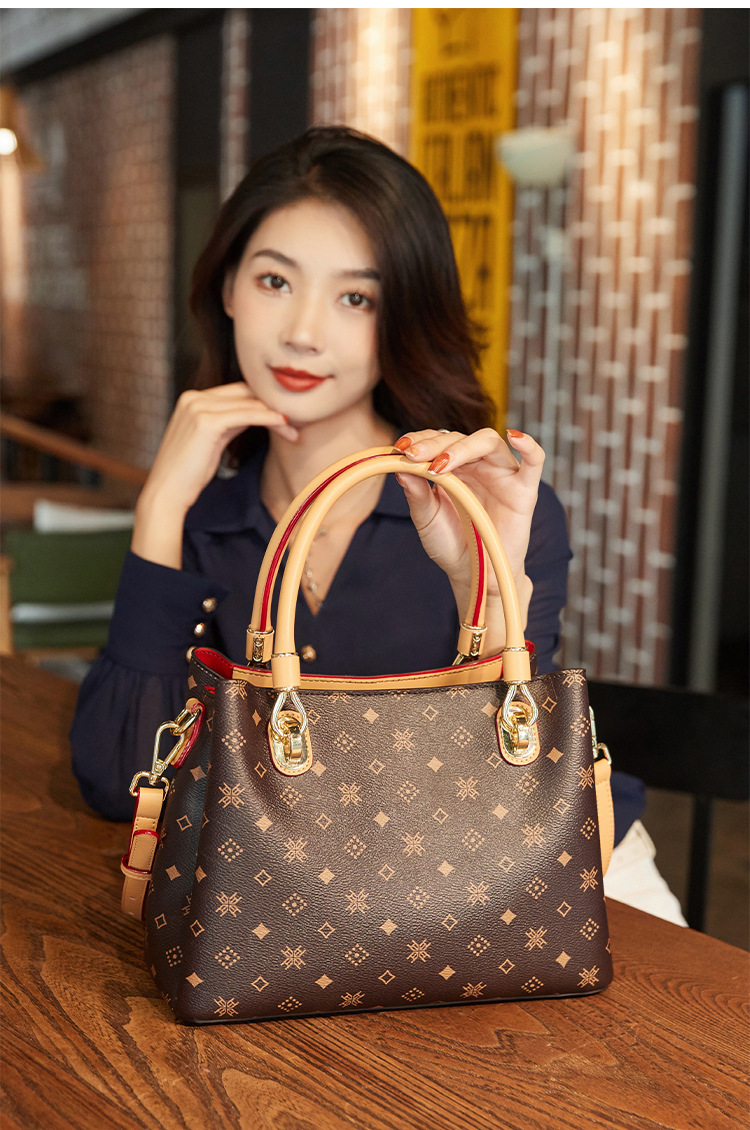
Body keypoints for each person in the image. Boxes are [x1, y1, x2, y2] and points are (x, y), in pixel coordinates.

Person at [70, 126, 681, 924]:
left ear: (402, 318)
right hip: (313, 900)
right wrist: (159, 508)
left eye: (355, 298)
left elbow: (516, 773)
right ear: (227, 289)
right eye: (275, 281)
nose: (303, 332)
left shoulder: (478, 500)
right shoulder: (202, 523)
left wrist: (481, 583)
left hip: (535, 876)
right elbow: (120, 784)